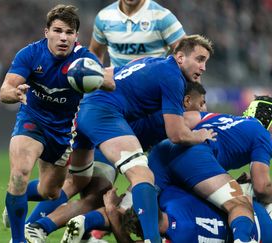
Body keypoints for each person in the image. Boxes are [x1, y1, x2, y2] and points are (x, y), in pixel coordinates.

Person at [64, 34, 216, 243]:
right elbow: (176, 134)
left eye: (205, 61)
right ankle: (151, 239)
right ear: (180, 57)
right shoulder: (173, 77)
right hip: (105, 116)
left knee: (71, 184)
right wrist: (199, 136)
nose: (204, 67)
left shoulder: (152, 62)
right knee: (142, 175)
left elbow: (111, 73)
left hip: (88, 109)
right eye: (199, 59)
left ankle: (35, 226)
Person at [22, 81, 208, 243]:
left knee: (86, 192)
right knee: (100, 198)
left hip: (101, 138)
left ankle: (37, 217)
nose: (203, 109)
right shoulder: (181, 117)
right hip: (108, 143)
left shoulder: (161, 106)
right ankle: (40, 223)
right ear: (187, 101)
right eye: (201, 103)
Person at [0, 5, 115, 243]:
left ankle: (15, 196)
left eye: (69, 32)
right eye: (58, 30)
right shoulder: (30, 54)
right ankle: (18, 239)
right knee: (19, 173)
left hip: (63, 131)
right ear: (47, 32)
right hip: (32, 120)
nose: (63, 37)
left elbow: (111, 84)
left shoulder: (83, 59)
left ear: (75, 36)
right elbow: (4, 91)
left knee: (50, 191)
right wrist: (16, 93)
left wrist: (94, 78)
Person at [146, 95, 272, 242]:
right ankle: (243, 240)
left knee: (138, 214)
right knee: (240, 204)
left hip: (162, 151)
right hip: (194, 156)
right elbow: (261, 188)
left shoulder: (220, 117)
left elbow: (183, 119)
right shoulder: (263, 135)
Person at [80, 186, 272, 243]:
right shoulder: (172, 197)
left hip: (263, 236)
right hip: (254, 209)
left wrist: (113, 213)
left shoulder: (178, 238)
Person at [89, 0, 186, 67]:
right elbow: (95, 52)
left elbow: (187, 54)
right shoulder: (104, 17)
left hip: (152, 91)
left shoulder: (162, 17)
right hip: (117, 90)